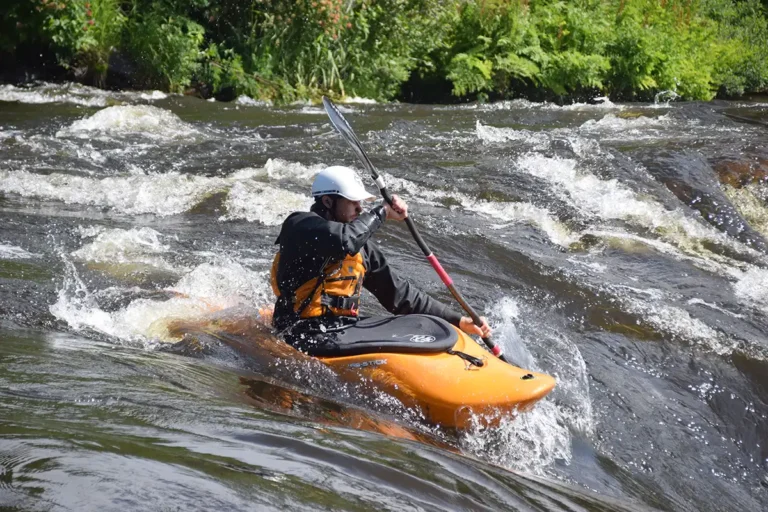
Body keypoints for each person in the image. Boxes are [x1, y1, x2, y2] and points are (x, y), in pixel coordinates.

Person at [270, 165, 492, 355]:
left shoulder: (362, 248)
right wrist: (383, 212)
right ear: (327, 201)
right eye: (352, 202)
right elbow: (344, 241)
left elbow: (399, 295)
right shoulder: (300, 226)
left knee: (423, 326)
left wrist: (458, 321)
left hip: (341, 329)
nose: (359, 208)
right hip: (299, 331)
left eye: (361, 202)